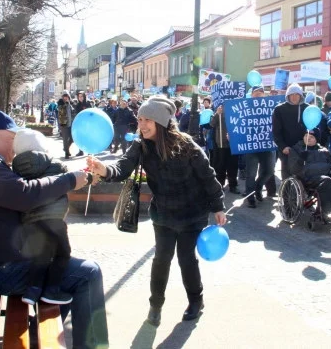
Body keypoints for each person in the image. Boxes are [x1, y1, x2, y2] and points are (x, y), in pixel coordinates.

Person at [0, 109, 108, 348]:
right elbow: (25, 194)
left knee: (62, 272)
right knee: (88, 274)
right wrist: (68, 181)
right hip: (1, 269)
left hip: (0, 260)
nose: (15, 145)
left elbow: (25, 188)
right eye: (12, 137)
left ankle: (40, 335)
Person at [87, 96, 227, 327]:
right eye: (140, 119)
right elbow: (122, 167)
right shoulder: (140, 145)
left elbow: (208, 177)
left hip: (192, 214)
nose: (141, 124)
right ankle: (155, 305)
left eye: (147, 120)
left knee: (186, 260)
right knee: (161, 259)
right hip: (163, 214)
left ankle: (196, 300)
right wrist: (104, 169)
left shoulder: (187, 146)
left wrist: (219, 207)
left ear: (161, 121)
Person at [11, 128, 73, 306]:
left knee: (41, 256)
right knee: (63, 254)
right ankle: (52, 290)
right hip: (54, 220)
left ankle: (32, 291)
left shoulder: (15, 169)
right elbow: (68, 179)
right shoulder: (55, 164)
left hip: (30, 220)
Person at [287, 128, 331, 222]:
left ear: (316, 139)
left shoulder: (324, 150)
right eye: (306, 136)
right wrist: (301, 159)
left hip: (326, 175)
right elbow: (293, 169)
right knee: (326, 181)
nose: (308, 138)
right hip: (308, 178)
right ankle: (325, 212)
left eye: (311, 137)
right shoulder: (296, 149)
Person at [243, 86, 276, 207]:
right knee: (251, 173)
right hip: (251, 146)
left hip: (267, 146)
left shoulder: (271, 107)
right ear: (251, 95)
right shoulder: (245, 107)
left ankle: (258, 187)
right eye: (256, 93)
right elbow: (238, 124)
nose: (258, 94)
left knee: (269, 171)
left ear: (264, 95)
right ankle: (250, 196)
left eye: (261, 93)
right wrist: (233, 136)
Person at [272, 83, 308, 180]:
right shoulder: (279, 109)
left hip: (304, 148)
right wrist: (282, 146)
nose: (294, 97)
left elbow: (314, 128)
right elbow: (276, 131)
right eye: (291, 94)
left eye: (297, 94)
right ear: (287, 96)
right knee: (287, 177)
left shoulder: (307, 108)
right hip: (287, 149)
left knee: (303, 175)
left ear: (301, 95)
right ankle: (286, 195)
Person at [210, 103, 240, 194]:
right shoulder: (218, 114)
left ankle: (233, 185)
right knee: (220, 166)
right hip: (221, 144)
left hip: (233, 143)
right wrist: (217, 114)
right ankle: (220, 185)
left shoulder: (237, 113)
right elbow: (212, 124)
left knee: (233, 166)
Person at [57, 91, 74, 158]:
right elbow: (61, 111)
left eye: (67, 96)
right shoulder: (60, 103)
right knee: (65, 139)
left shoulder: (70, 103)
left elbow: (72, 111)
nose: (65, 97)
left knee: (72, 138)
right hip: (64, 124)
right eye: (64, 96)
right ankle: (67, 153)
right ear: (62, 97)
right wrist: (66, 104)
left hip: (71, 123)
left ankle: (66, 148)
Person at [74, 91, 91, 156]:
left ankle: (89, 151)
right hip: (80, 123)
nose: (80, 98)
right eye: (79, 97)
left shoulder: (87, 103)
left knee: (88, 137)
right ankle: (81, 151)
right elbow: (76, 114)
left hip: (87, 123)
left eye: (81, 96)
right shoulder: (78, 105)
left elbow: (91, 112)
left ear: (84, 97)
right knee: (80, 137)